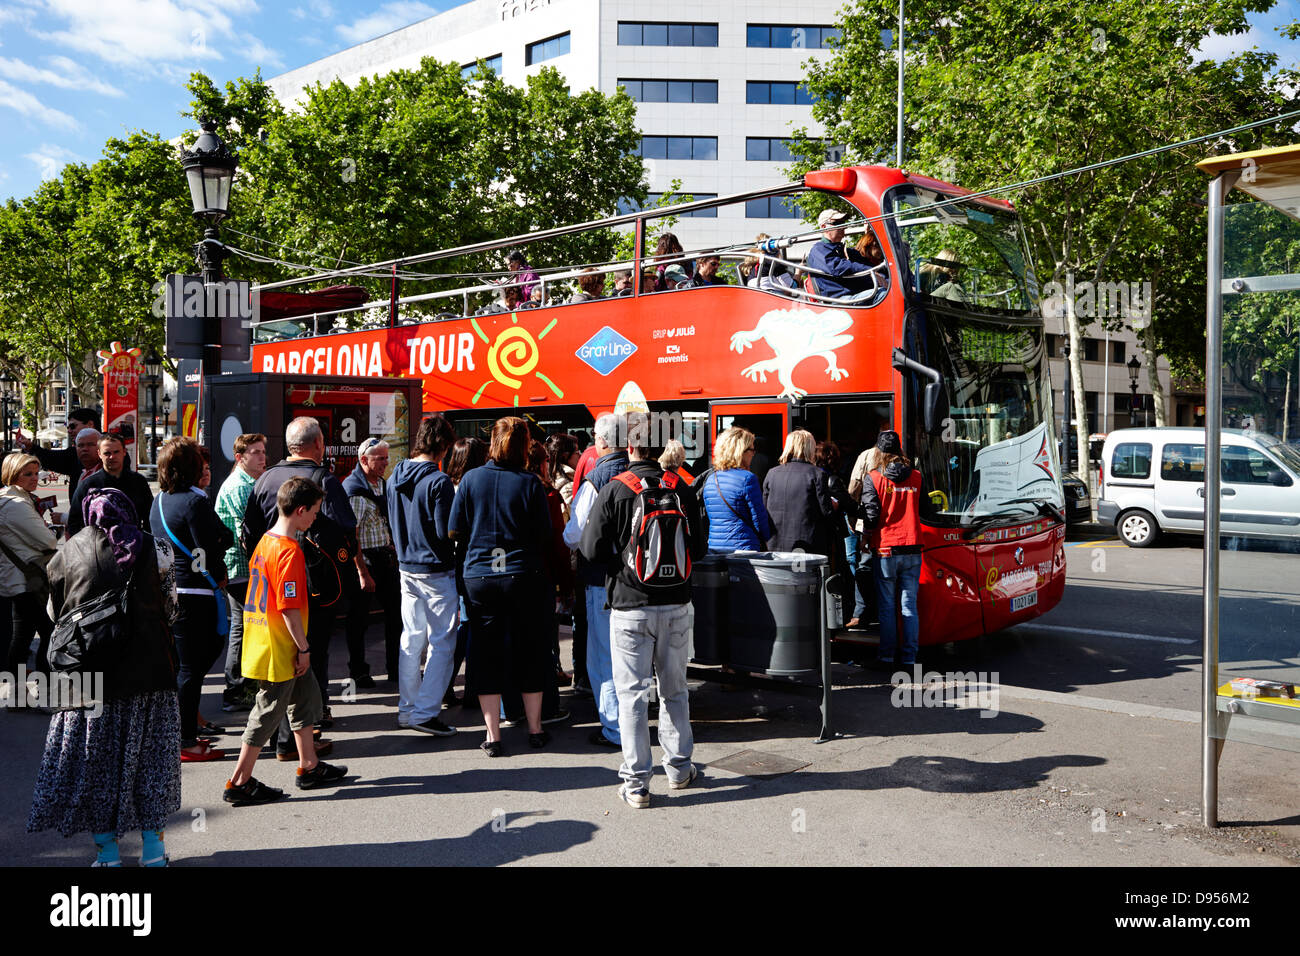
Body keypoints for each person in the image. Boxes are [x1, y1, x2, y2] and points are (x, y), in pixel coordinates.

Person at [28, 487, 181, 866]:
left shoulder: (63, 555)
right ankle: (154, 853)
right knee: (152, 764)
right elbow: (172, 610)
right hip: (149, 676)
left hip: (87, 680)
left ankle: (108, 856)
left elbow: (54, 615)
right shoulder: (157, 549)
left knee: (95, 767)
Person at [580, 413, 706, 808]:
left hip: (630, 607)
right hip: (677, 605)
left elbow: (589, 550)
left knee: (632, 695)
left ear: (629, 446)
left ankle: (636, 783)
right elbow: (699, 548)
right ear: (662, 445)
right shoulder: (682, 488)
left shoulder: (616, 489)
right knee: (675, 690)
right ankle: (680, 768)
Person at [243, 417, 368, 750]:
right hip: (314, 580)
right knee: (312, 651)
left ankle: (288, 736)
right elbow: (346, 526)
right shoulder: (322, 478)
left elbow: (248, 531)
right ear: (319, 444)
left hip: (270, 576)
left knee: (285, 654)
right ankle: (309, 724)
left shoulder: (265, 477)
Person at [223, 477, 349, 805]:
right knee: (267, 711)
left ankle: (309, 765)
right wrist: (304, 648)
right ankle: (239, 781)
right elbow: (289, 608)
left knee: (305, 699)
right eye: (314, 512)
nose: (315, 519)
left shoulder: (266, 541)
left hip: (265, 640)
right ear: (300, 510)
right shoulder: (289, 551)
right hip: (282, 646)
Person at [451, 417, 554, 756]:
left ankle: (493, 735)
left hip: (480, 576)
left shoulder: (470, 479)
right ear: (525, 447)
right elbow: (544, 534)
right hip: (522, 575)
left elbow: (455, 530)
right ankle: (536, 728)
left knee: (484, 653)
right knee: (530, 649)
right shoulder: (530, 483)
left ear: (491, 443)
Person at [151, 437, 233, 762]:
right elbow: (205, 549)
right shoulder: (194, 503)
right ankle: (186, 739)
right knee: (193, 666)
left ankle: (182, 731)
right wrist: (219, 560)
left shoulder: (159, 501)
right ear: (192, 466)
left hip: (170, 590)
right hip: (197, 592)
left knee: (187, 666)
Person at [386, 416, 460, 736]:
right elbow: (448, 533)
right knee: (442, 643)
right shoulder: (438, 481)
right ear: (443, 445)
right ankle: (426, 712)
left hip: (406, 565)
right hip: (435, 568)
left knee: (412, 639)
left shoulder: (394, 476)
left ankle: (408, 708)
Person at [562, 412, 629, 749]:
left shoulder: (596, 479)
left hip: (600, 580)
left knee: (602, 656)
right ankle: (632, 721)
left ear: (601, 440)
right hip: (638, 580)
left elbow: (573, 534)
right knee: (632, 655)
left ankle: (615, 728)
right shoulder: (638, 474)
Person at [214, 432, 267, 713]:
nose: (262, 457)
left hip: (244, 566)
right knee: (242, 627)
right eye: (255, 452)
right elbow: (245, 533)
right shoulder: (239, 486)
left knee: (244, 626)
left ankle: (241, 686)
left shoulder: (252, 482)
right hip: (241, 567)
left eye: (262, 451)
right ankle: (236, 689)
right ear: (240, 457)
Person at [343, 437, 401, 688]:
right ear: (364, 460)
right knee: (358, 621)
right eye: (380, 459)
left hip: (385, 559)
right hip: (365, 562)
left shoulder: (382, 485)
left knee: (396, 617)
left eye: (387, 458)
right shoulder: (354, 490)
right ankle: (359, 671)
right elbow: (351, 535)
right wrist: (362, 572)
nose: (385, 463)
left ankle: (395, 668)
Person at [863, 430, 922, 666]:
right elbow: (925, 508)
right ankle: (909, 657)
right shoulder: (917, 477)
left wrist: (866, 535)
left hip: (886, 548)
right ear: (899, 451)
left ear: (879, 451)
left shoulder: (874, 477)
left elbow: (871, 514)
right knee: (909, 606)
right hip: (912, 548)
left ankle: (886, 656)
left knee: (887, 608)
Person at [0, 454, 58, 675]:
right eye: (28, 474)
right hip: (25, 580)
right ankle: (42, 691)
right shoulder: (14, 504)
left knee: (23, 637)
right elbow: (48, 540)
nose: (35, 479)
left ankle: (16, 694)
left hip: (19, 579)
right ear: (12, 475)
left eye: (36, 473)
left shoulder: (15, 499)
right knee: (48, 632)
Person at [442, 437, 487, 709]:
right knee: (469, 627)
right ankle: (471, 688)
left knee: (465, 625)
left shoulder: (449, 484)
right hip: (469, 561)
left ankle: (448, 684)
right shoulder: (471, 486)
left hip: (456, 562)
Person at [761, 429, 836, 556]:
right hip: (805, 546)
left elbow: (764, 508)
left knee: (780, 576)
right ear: (810, 448)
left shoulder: (772, 473)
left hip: (775, 545)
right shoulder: (817, 474)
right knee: (801, 575)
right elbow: (826, 511)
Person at [66, 433, 154, 537]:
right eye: (107, 453)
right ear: (99, 454)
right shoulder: (88, 485)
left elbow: (150, 518)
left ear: (124, 452)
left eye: (116, 452)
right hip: (98, 549)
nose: (112, 457)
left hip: (134, 547)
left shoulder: (139, 481)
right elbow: (73, 522)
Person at [700, 426, 770, 553]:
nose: (754, 454)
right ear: (740, 452)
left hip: (715, 548)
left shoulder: (711, 479)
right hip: (743, 550)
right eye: (752, 450)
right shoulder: (748, 479)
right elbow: (759, 522)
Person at [805, 208, 882, 302]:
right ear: (824, 226)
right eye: (838, 223)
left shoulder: (844, 251)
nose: (843, 227)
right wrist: (870, 271)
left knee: (892, 289)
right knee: (882, 295)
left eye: (844, 223)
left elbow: (866, 260)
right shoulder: (819, 249)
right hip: (840, 300)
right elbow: (838, 267)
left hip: (854, 295)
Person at [12, 406, 99, 486]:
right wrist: (30, 447)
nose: (69, 431)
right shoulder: (72, 457)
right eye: (80, 446)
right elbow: (53, 459)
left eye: (73, 426)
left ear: (90, 425)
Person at [847, 444, 882, 629]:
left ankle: (860, 613)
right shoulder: (903, 459)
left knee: (864, 565)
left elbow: (854, 488)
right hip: (892, 525)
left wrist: (852, 518)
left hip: (866, 520)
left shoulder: (866, 455)